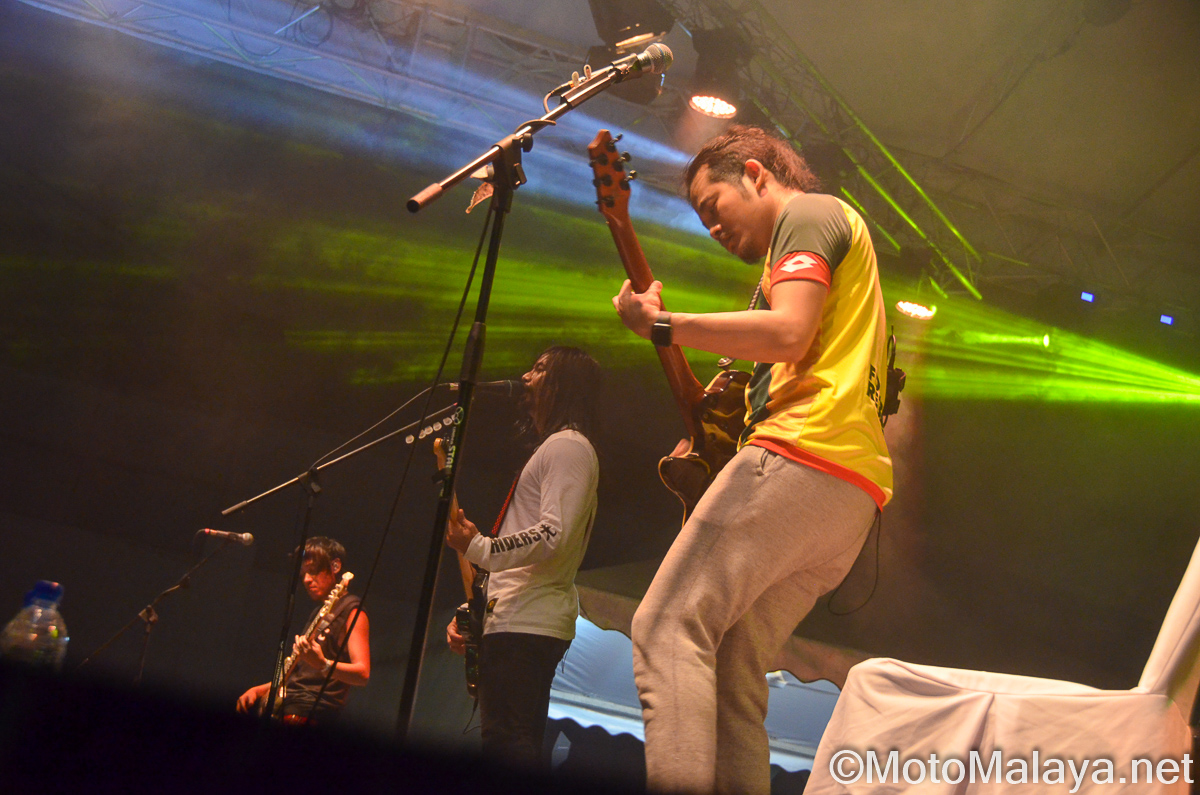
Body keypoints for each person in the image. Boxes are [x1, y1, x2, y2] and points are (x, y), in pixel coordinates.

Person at [611, 125, 893, 795]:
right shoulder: (819, 249)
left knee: (665, 624)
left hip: (800, 456)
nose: (711, 227)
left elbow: (789, 332)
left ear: (757, 174)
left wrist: (663, 325)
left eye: (713, 205)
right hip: (848, 497)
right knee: (734, 667)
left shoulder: (810, 213)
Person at [444, 346, 601, 770]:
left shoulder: (568, 447)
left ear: (564, 385)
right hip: (518, 618)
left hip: (527, 623)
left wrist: (480, 547)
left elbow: (554, 535)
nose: (526, 377)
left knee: (509, 744)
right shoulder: (558, 448)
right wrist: (475, 612)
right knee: (509, 742)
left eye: (540, 369)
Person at [236, 536, 370, 724]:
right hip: (288, 705)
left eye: (313, 571)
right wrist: (259, 690)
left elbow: (362, 674)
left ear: (335, 566)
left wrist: (323, 664)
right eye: (303, 574)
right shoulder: (318, 613)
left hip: (309, 713)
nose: (306, 580)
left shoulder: (353, 610)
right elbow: (297, 674)